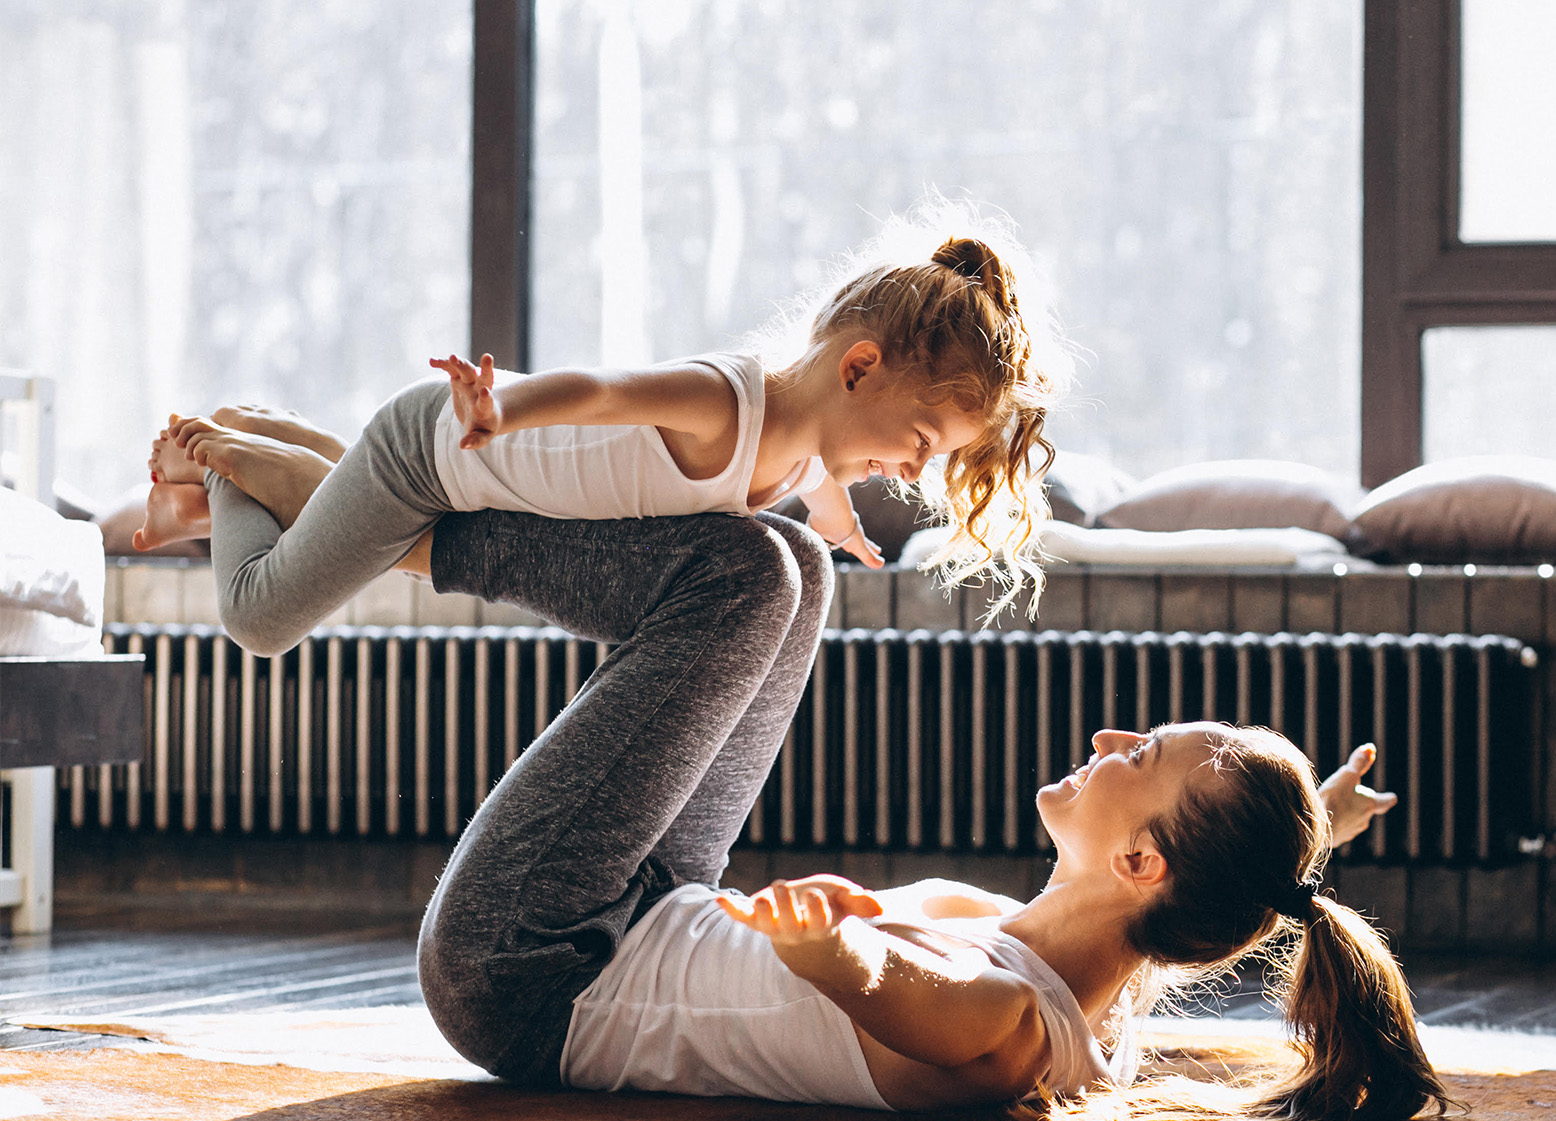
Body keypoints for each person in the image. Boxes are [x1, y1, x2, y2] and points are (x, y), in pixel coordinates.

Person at [155, 417, 1429, 1117]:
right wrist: (1306, 830)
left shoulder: (996, 1019)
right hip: (653, 906)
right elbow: (1224, 896)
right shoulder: (1089, 973)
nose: (1107, 739)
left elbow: (908, 996)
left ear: (1142, 858)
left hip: (534, 967)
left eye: (1137, 752)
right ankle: (370, 519)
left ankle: (379, 521)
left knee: (742, 572)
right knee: (797, 565)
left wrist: (842, 956)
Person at [132, 212, 1063, 659]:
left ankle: (257, 430)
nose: (913, 468)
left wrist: (841, 520)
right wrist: (504, 409)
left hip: (472, 484)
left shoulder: (807, 455)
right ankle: (224, 467)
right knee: (258, 619)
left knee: (367, 533)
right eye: (922, 438)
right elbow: (600, 389)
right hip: (439, 452)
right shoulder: (726, 401)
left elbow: (823, 477)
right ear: (857, 369)